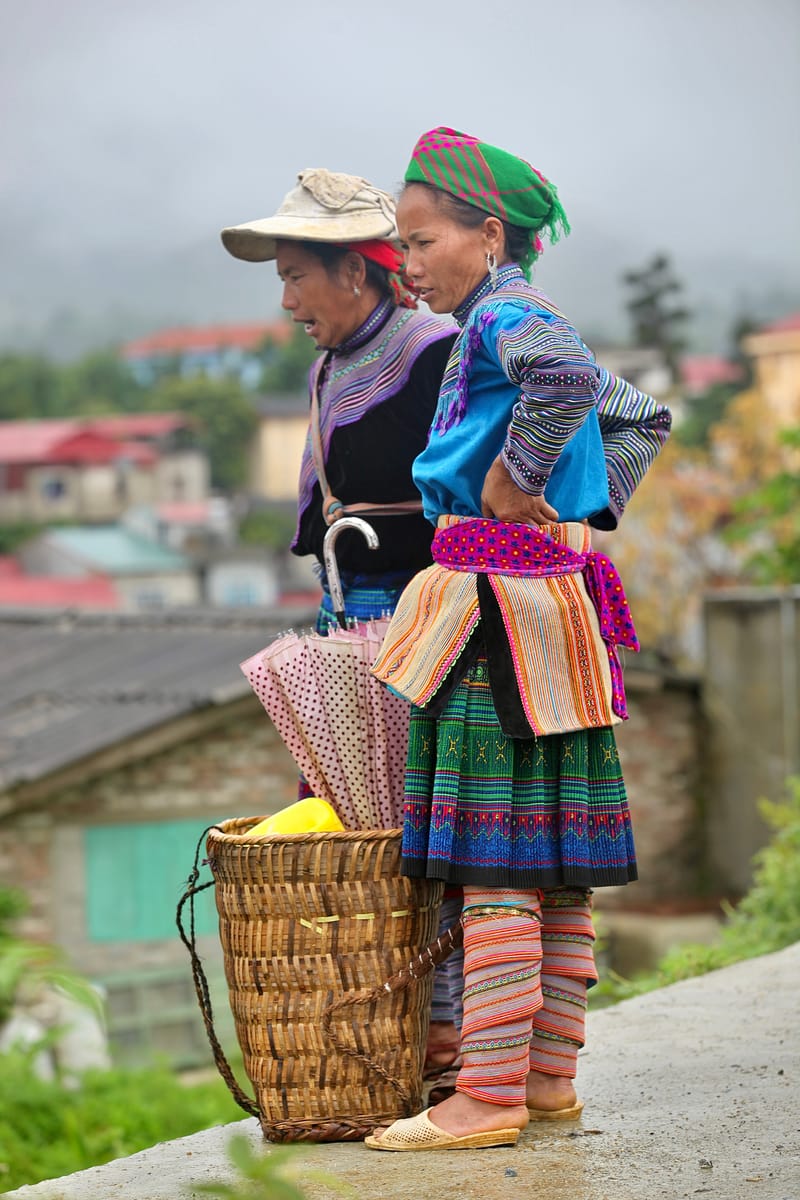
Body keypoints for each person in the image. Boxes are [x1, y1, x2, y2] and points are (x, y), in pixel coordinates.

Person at [366, 127, 672, 1152]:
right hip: (553, 621)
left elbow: (571, 386)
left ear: (486, 232)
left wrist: (519, 486)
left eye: (416, 241)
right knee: (549, 866)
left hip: (497, 625)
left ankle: (484, 1096)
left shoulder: (508, 314)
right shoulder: (506, 323)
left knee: (495, 868)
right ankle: (542, 1082)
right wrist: (579, 512)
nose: (403, 264)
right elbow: (642, 417)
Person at [220, 167, 465, 1081]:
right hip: (348, 630)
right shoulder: (329, 369)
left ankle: (448, 1041)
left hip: (424, 631)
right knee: (353, 836)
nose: (287, 301)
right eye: (280, 280)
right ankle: (373, 1036)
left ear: (356, 272)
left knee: (425, 835)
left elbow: (471, 502)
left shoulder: (438, 353)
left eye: (295, 277)